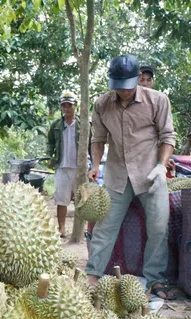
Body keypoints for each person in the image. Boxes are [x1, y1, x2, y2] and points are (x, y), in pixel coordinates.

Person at [86, 55, 176, 300]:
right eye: (118, 86)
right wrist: (95, 166)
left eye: (127, 86)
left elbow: (168, 137)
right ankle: (92, 274)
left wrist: (161, 165)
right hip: (116, 175)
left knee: (158, 227)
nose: (123, 92)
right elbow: (98, 139)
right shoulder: (102, 104)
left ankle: (155, 279)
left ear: (138, 79)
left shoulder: (157, 100)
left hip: (150, 174)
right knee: (105, 227)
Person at [47, 91, 80, 238]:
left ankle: (79, 230)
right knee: (62, 199)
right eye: (63, 106)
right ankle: (61, 228)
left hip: (80, 167)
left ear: (75, 106)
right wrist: (49, 157)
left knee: (83, 199)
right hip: (62, 165)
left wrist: (93, 164)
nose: (66, 108)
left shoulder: (83, 124)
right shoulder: (56, 125)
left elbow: (92, 143)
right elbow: (50, 143)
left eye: (69, 106)